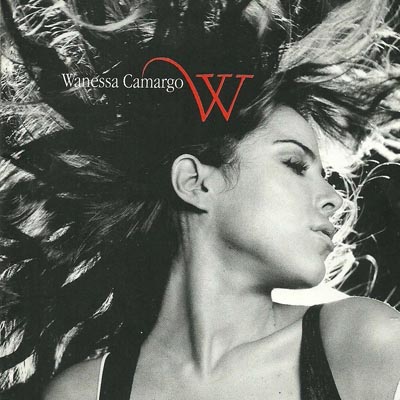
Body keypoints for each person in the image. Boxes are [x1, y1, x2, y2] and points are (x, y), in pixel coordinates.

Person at [0, 1, 399, 399]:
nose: (333, 200)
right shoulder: (84, 393)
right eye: (295, 164)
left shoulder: (362, 345)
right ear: (195, 182)